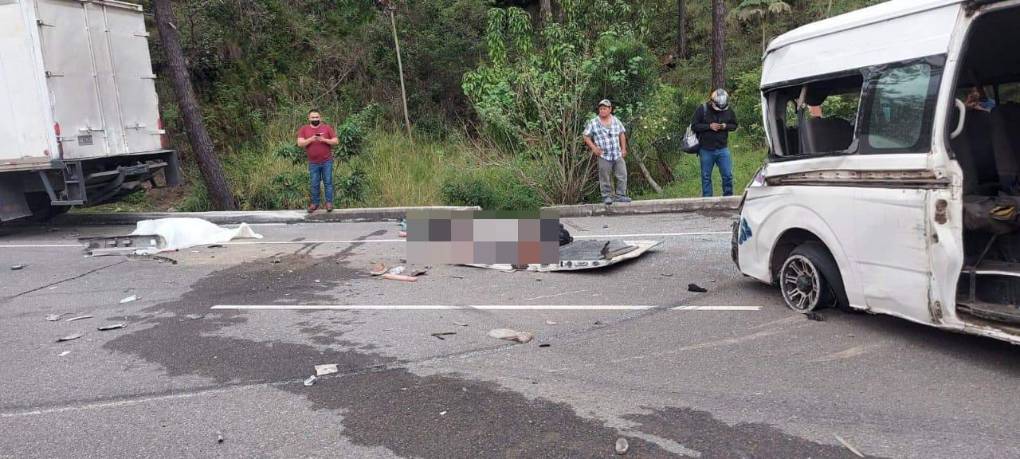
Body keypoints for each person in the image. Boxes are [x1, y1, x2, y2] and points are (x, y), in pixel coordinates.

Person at [692, 89, 739, 197]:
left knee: (727, 175)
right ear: (712, 101)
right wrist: (709, 126)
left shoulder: (728, 110)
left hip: (722, 148)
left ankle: (728, 198)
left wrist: (725, 126)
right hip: (706, 149)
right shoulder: (702, 109)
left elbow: (734, 125)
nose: (720, 110)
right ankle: (707, 200)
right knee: (706, 177)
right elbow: (694, 126)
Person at [583, 99, 630, 205]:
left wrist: (623, 148)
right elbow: (585, 136)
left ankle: (621, 195)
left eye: (604, 109)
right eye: (600, 109)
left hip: (617, 153)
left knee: (622, 174)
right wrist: (594, 148)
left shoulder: (616, 120)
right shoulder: (594, 122)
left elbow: (621, 134)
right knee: (604, 176)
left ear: (610, 109)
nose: (602, 111)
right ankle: (606, 196)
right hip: (604, 155)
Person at [296, 110, 339, 213]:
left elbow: (336, 141)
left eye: (317, 117)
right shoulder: (304, 129)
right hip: (313, 163)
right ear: (309, 118)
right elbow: (300, 143)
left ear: (320, 118)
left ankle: (329, 203)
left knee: (328, 183)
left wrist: (324, 140)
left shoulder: (327, 128)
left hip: (327, 161)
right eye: (313, 117)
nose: (315, 119)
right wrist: (311, 139)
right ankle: (315, 204)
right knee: (314, 184)